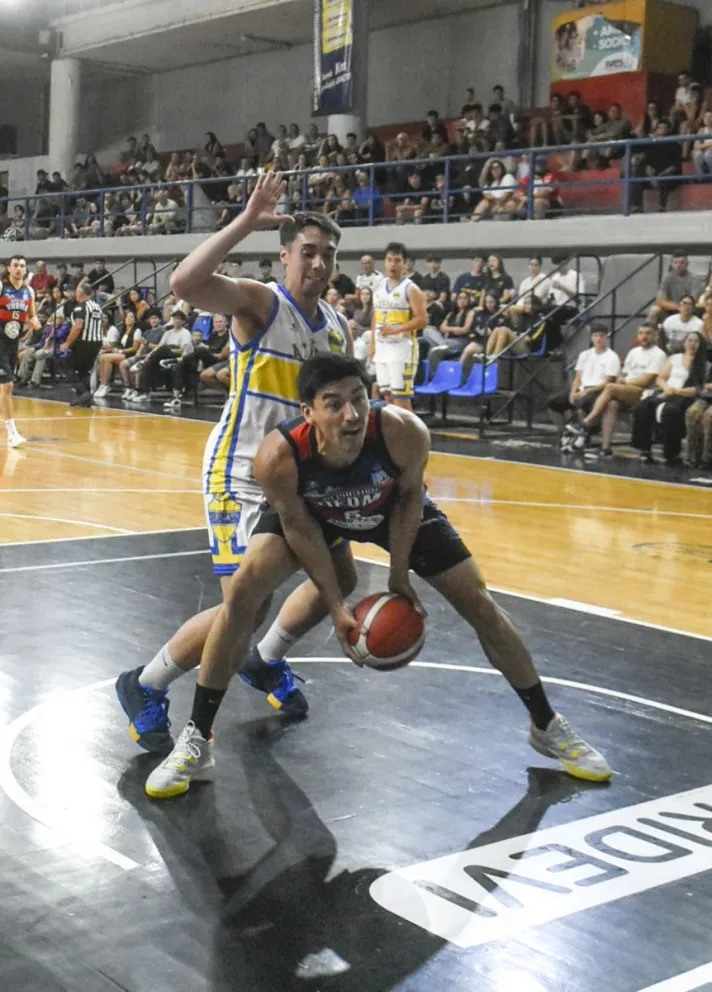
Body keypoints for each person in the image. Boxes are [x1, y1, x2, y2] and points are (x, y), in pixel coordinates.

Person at [144, 353, 612, 799]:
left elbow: (410, 500)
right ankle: (198, 739)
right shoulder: (278, 458)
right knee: (243, 594)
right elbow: (300, 527)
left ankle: (545, 724)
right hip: (315, 511)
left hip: (389, 509)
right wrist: (334, 605)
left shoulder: (403, 432)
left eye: (359, 398)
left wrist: (399, 575)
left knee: (479, 602)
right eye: (334, 404)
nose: (351, 414)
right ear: (308, 412)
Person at [115, 174, 360, 754]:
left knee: (343, 576)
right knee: (243, 607)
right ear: (285, 256)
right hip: (241, 472)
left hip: (300, 478)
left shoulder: (340, 327)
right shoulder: (261, 302)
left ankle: (265, 659)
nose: (319, 263)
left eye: (328, 255)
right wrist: (245, 221)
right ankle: (144, 684)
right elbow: (184, 282)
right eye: (308, 252)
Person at [564, 324, 667, 457]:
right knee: (612, 404)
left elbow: (646, 381)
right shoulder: (634, 352)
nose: (644, 336)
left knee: (610, 387)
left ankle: (586, 423)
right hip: (625, 389)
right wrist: (621, 380)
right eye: (641, 333)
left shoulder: (659, 354)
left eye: (648, 333)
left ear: (655, 336)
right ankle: (606, 448)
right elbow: (623, 373)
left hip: (644, 393)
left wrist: (623, 383)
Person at [631, 331, 707, 465]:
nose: (692, 344)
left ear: (700, 345)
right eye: (689, 340)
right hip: (667, 390)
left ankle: (671, 453)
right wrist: (666, 389)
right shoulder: (675, 358)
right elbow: (660, 378)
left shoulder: (704, 364)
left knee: (671, 411)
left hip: (684, 395)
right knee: (642, 407)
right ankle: (644, 449)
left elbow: (698, 389)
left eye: (696, 341)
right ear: (684, 343)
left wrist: (676, 391)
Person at [370, 242, 427, 411]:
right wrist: (372, 344)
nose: (393, 264)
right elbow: (376, 316)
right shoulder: (379, 285)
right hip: (382, 349)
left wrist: (397, 329)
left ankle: (412, 436)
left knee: (401, 399)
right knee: (387, 397)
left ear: (404, 263)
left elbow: (422, 319)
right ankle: (393, 436)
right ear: (385, 262)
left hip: (402, 351)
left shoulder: (411, 289)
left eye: (397, 260)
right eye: (389, 260)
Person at [548, 323, 621, 434]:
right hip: (582, 387)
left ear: (606, 337)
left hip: (597, 389)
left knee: (582, 402)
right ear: (591, 338)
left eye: (601, 336)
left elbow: (608, 381)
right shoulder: (584, 354)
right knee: (553, 402)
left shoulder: (612, 357)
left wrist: (586, 392)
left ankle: (584, 431)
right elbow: (578, 377)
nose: (598, 339)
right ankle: (564, 431)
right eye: (595, 336)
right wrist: (573, 392)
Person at [0, 255, 37, 447]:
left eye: (22, 266)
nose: (18, 269)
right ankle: (12, 434)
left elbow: (32, 316)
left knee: (4, 387)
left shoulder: (28, 291)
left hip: (13, 344)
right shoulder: (1, 287)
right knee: (7, 386)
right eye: (15, 265)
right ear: (9, 268)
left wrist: (34, 323)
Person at [59, 282, 104, 407]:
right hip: (96, 342)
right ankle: (86, 398)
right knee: (84, 370)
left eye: (77, 291)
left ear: (81, 293)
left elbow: (78, 326)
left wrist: (67, 343)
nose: (75, 293)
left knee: (66, 365)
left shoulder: (80, 307)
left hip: (84, 342)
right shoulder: (97, 306)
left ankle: (83, 392)